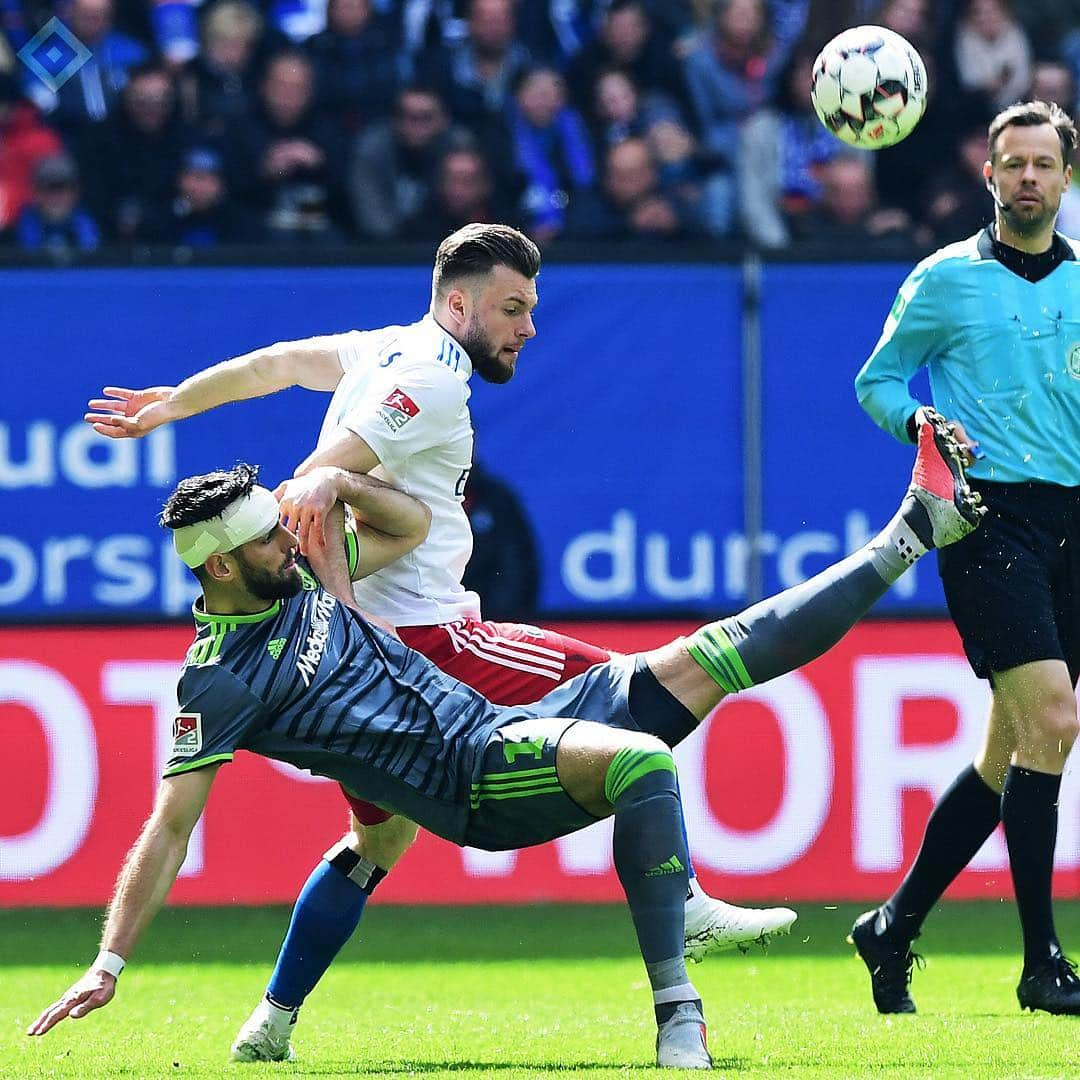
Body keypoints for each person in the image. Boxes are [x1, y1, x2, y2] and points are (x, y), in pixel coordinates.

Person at [28, 418, 984, 1066]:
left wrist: (336, 486)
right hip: (470, 779)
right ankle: (677, 1014)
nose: (290, 539)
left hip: (499, 726)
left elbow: (411, 522)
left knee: (713, 655)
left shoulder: (306, 571)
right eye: (269, 541)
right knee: (641, 764)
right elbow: (169, 828)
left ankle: (912, 531)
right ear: (224, 564)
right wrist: (109, 963)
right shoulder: (220, 679)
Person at [82, 222, 796, 1063]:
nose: (528, 327)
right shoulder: (431, 382)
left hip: (360, 667)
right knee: (638, 694)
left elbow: (273, 365)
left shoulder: (381, 348)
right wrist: (312, 489)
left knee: (377, 840)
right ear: (458, 303)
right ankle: (685, 914)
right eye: (512, 308)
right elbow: (324, 469)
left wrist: (175, 405)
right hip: (434, 633)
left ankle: (270, 1022)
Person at [852, 99, 1080, 1017]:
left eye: (1044, 165)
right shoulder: (945, 279)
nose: (1028, 178)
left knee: (1010, 755)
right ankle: (1042, 963)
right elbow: (875, 380)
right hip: (986, 524)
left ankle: (893, 926)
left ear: (1067, 180)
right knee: (1055, 721)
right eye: (1012, 164)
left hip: (1071, 523)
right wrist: (919, 420)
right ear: (988, 175)